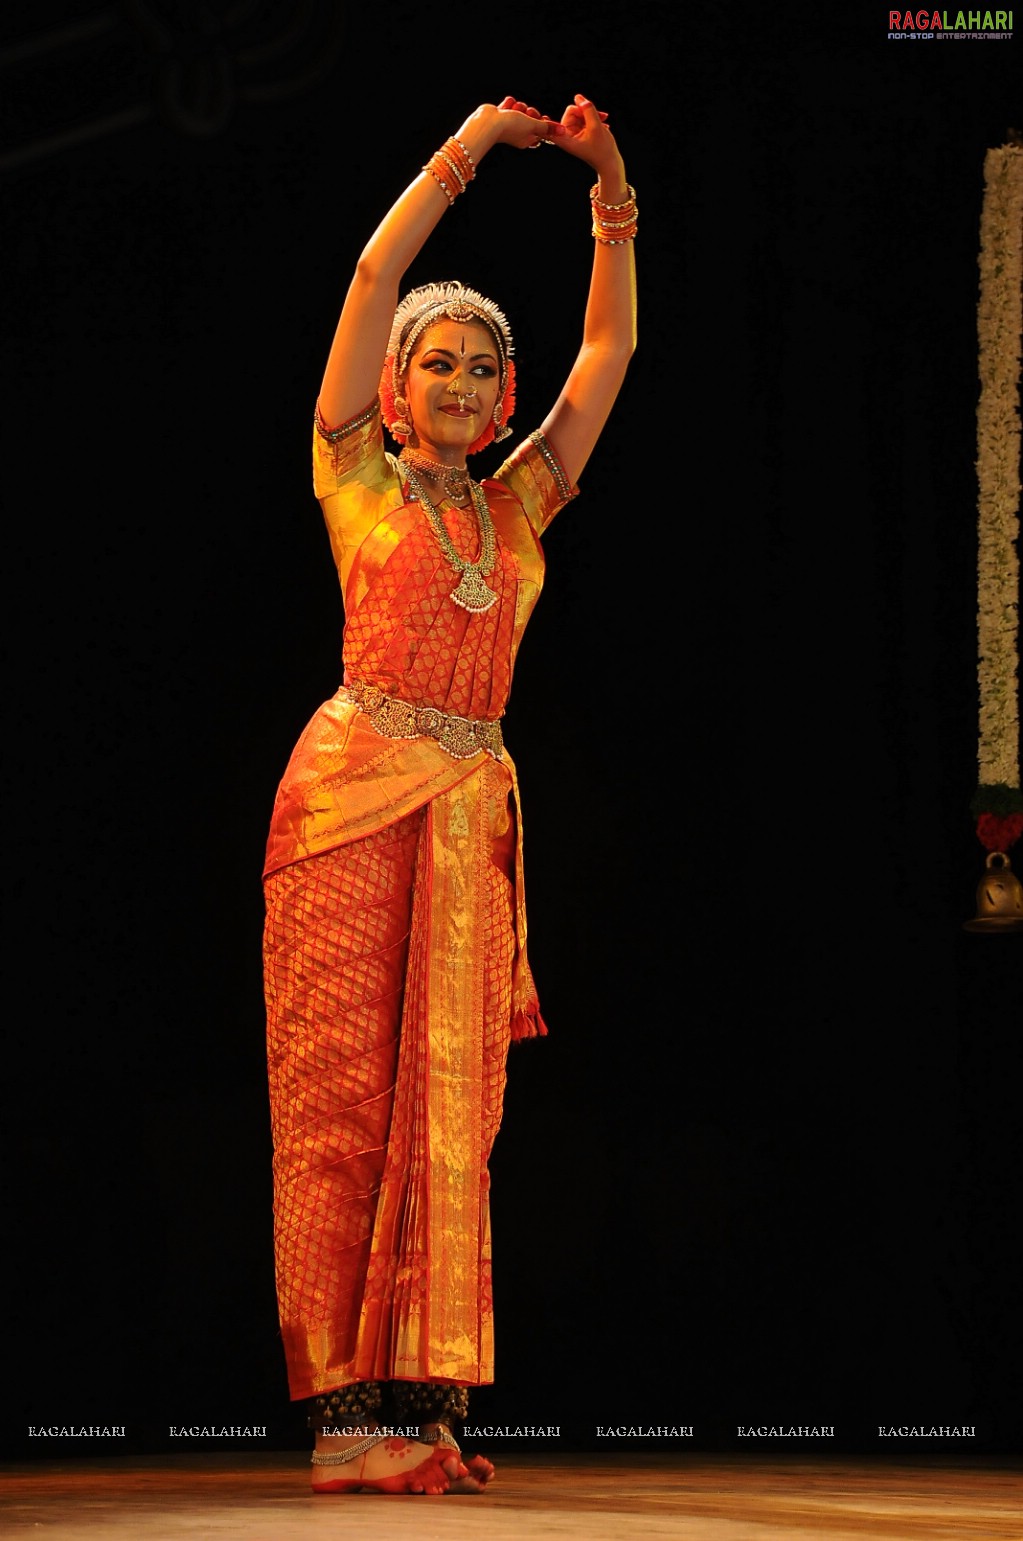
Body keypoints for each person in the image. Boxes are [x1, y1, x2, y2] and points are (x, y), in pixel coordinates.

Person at [263, 93, 636, 1496]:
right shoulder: (354, 471)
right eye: (442, 363)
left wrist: (611, 189)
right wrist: (471, 151)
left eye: (488, 367)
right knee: (340, 1103)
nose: (469, 385)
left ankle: (419, 1402)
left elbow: (610, 350)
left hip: (469, 816)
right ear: (398, 387)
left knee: (452, 1117)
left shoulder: (521, 503)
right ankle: (343, 1417)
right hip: (349, 803)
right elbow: (372, 277)